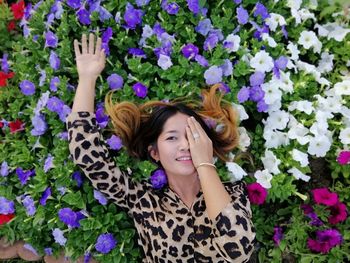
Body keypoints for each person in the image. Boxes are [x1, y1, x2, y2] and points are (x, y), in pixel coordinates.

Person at [67, 33, 256, 263]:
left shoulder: (234, 194)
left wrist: (205, 163)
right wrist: (87, 78)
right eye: (172, 138)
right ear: (154, 152)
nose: (186, 145)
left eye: (192, 136)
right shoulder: (143, 200)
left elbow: (239, 250)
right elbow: (89, 158)